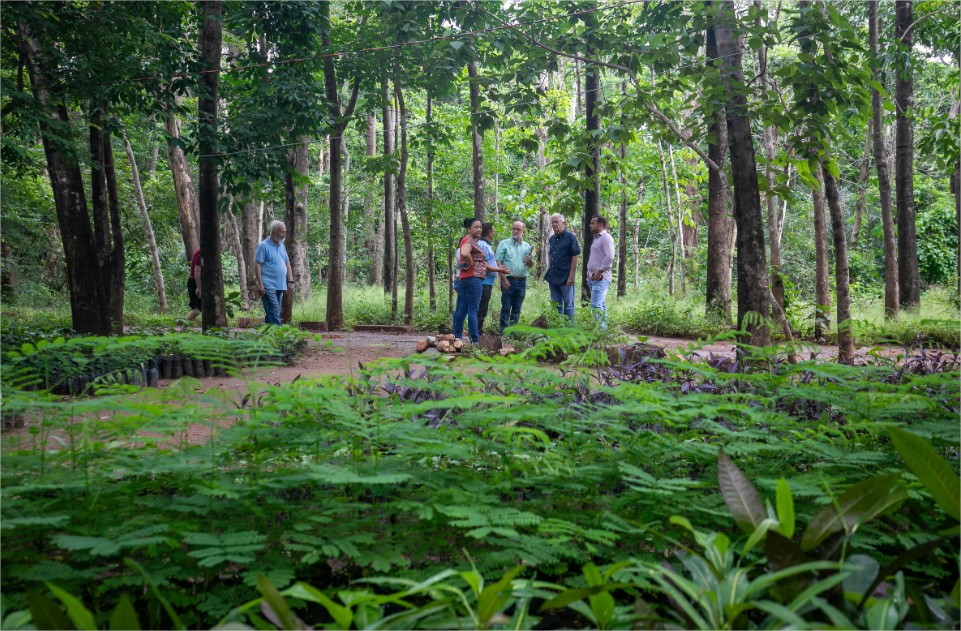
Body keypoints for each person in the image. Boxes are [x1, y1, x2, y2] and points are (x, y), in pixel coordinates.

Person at [452, 218, 509, 343]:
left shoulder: (472, 241)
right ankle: (475, 340)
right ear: (469, 229)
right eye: (475, 227)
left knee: (463, 308)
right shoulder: (468, 240)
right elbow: (465, 254)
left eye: (480, 227)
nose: (478, 229)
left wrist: (498, 269)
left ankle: (457, 336)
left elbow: (480, 262)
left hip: (467, 279)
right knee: (473, 309)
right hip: (473, 279)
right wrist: (471, 263)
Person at [495, 221, 534, 332]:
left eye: (518, 229)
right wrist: (504, 279)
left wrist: (529, 260)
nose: (515, 231)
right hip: (508, 280)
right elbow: (498, 263)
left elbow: (531, 265)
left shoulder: (527, 246)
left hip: (522, 281)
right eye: (513, 229)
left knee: (517, 308)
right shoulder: (504, 244)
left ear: (523, 231)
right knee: (506, 307)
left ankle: (513, 332)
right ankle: (503, 331)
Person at [255, 220, 294, 326]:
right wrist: (260, 284)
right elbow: (258, 265)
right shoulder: (263, 246)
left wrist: (290, 280)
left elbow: (287, 263)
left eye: (285, 232)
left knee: (272, 312)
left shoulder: (282, 246)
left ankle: (267, 337)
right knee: (274, 310)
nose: (284, 234)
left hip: (280, 285)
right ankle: (280, 337)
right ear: (273, 232)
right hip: (268, 285)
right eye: (281, 232)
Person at [544, 213, 580, 318]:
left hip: (566, 277)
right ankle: (557, 329)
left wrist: (571, 276)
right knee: (555, 305)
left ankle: (569, 331)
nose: (554, 224)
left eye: (557, 222)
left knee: (568, 305)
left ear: (563, 223)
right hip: (553, 277)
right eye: (553, 222)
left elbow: (575, 255)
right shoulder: (552, 239)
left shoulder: (570, 237)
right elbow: (551, 255)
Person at [587, 215, 615, 329]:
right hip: (593, 278)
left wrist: (599, 272)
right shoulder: (596, 239)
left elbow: (610, 257)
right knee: (600, 306)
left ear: (599, 225)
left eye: (592, 223)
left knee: (595, 306)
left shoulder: (606, 238)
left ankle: (599, 333)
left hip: (600, 278)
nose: (590, 225)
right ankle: (603, 333)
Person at [476, 223, 497, 335]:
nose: (494, 233)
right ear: (489, 232)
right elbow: (483, 264)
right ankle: (477, 333)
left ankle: (478, 331)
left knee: (483, 307)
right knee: (481, 308)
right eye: (493, 231)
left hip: (488, 282)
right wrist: (499, 270)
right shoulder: (482, 245)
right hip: (483, 281)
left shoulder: (486, 245)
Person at [185, 248, 202, 322]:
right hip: (194, 282)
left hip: (198, 282)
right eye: (221, 245)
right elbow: (197, 271)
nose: (222, 248)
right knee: (196, 310)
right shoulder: (201, 253)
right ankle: (181, 329)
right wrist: (199, 288)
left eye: (223, 246)